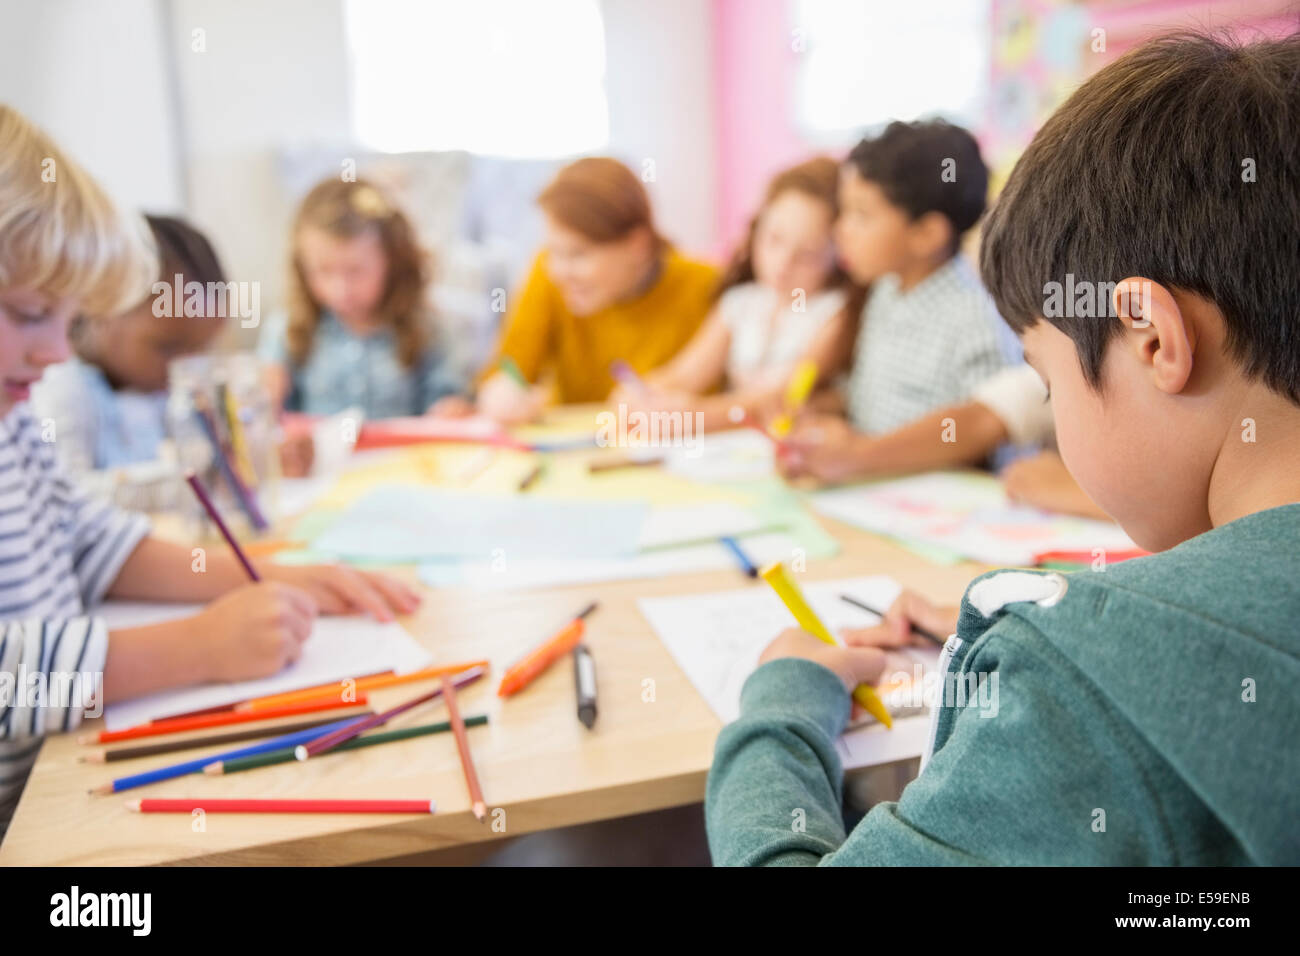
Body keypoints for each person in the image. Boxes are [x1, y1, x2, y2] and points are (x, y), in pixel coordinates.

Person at [705, 32, 1300, 865]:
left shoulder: (1083, 689)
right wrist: (1075, 607)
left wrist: (778, 707)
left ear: (1153, 338)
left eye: (1048, 382)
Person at [0, 106, 421, 837]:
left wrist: (260, 572)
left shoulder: (12, 421)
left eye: (65, 322)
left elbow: (89, 537)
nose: (56, 351)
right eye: (30, 311)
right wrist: (196, 649)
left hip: (55, 771)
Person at [468, 157, 718, 424]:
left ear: (638, 246)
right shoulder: (547, 272)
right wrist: (501, 393)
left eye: (578, 254)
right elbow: (507, 370)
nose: (558, 271)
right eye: (553, 251)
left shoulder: (706, 286)